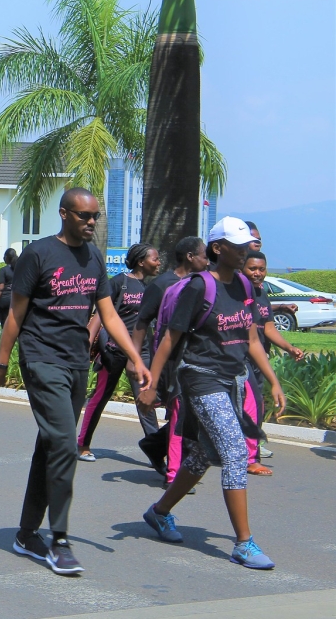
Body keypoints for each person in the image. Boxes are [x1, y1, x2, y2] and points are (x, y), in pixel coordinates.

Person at [0, 188, 150, 575]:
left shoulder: (93, 257)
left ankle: (26, 533)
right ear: (63, 214)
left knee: (50, 444)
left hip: (76, 362)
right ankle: (59, 539)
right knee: (63, 442)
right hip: (41, 359)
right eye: (83, 216)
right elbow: (15, 315)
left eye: (95, 216)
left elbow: (108, 315)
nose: (91, 222)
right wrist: (1, 364)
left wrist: (137, 358)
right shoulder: (38, 253)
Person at [138, 218, 285, 570]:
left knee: (204, 454)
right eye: (239, 245)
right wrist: (152, 384)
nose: (248, 249)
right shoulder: (199, 287)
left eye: (249, 243)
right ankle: (244, 543)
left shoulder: (246, 289)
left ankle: (159, 513)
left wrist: (273, 380)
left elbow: (251, 339)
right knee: (235, 453)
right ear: (218, 249)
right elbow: (171, 338)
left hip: (231, 378)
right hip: (200, 378)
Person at [131, 236, 210, 482]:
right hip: (171, 361)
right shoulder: (162, 284)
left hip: (198, 359)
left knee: (192, 415)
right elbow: (142, 321)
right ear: (190, 256)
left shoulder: (202, 283)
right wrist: (136, 359)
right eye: (204, 256)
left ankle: (155, 444)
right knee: (179, 413)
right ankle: (174, 472)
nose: (208, 261)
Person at [76, 243, 161, 462]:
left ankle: (156, 452)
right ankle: (82, 444)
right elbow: (100, 315)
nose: (158, 262)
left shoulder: (152, 288)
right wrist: (87, 344)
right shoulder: (119, 283)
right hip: (112, 351)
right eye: (154, 259)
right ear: (141, 261)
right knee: (100, 396)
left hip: (140, 353)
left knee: (145, 399)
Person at [241, 250, 303, 475]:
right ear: (241, 269)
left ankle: (249, 454)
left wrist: (288, 347)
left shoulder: (261, 294)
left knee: (254, 407)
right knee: (250, 406)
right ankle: (250, 459)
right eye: (252, 269)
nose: (257, 273)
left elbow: (268, 327)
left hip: (258, 360)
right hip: (237, 360)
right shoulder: (235, 293)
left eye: (261, 269)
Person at [0, 248, 18, 327]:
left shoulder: (3, 270)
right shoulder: (20, 269)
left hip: (4, 300)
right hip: (16, 299)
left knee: (4, 324)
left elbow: (0, 288)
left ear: (6, 257)